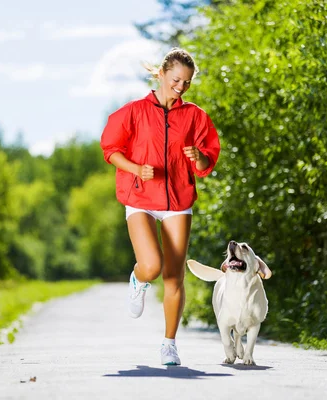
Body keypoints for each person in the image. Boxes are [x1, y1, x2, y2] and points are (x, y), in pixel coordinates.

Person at [100, 47, 221, 365]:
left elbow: (208, 160)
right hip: (140, 197)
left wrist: (200, 157)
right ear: (162, 74)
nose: (181, 87)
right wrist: (134, 168)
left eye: (187, 83)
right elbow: (110, 148)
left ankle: (169, 344)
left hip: (178, 200)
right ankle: (138, 279)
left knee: (173, 275)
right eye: (176, 79)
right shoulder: (135, 112)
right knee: (152, 265)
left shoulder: (195, 116)